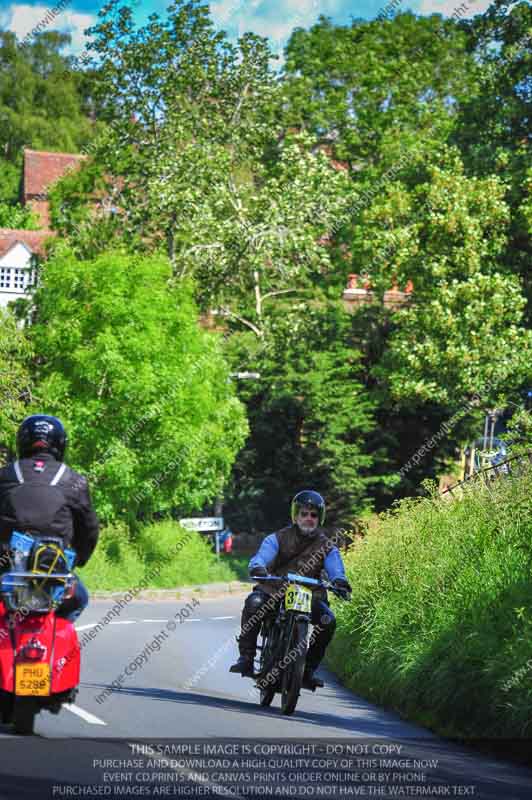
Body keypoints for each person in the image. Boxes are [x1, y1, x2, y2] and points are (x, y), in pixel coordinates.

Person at [229, 490, 351, 690]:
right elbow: (262, 556)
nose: (308, 519)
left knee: (328, 620)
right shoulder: (277, 538)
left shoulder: (327, 546)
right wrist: (259, 566)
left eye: (313, 515)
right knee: (254, 603)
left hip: (310, 594)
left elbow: (335, 567)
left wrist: (340, 581)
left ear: (319, 518)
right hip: (275, 590)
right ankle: (247, 658)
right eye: (304, 514)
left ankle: (308, 670)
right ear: (295, 516)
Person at [0, 415, 99, 621]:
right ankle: (59, 647)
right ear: (60, 444)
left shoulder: (5, 475)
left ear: (22, 442)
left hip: (6, 569)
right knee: (79, 599)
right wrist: (78, 559)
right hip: (54, 570)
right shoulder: (73, 479)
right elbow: (89, 529)